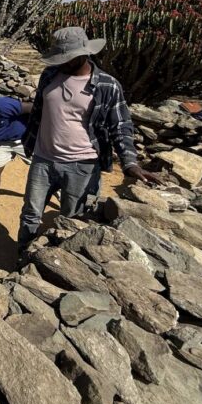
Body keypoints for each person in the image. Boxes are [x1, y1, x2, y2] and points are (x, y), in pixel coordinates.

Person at [18, 27, 161, 246]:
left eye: (67, 57)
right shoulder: (49, 75)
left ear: (85, 54)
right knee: (30, 213)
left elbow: (121, 126)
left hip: (82, 165)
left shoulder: (107, 85)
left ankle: (56, 263)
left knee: (71, 220)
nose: (62, 62)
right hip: (43, 159)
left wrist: (130, 162)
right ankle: (22, 257)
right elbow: (39, 111)